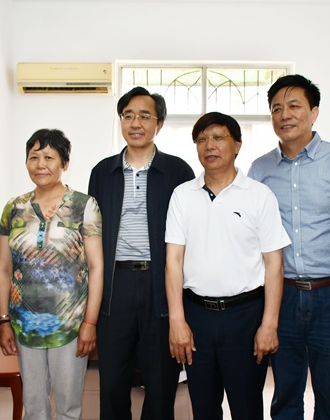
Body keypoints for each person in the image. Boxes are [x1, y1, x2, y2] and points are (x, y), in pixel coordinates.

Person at [248, 74, 330, 419]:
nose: (284, 114)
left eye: (294, 106)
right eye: (276, 108)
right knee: (285, 387)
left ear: (314, 112)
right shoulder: (260, 169)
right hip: (281, 294)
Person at [166, 112, 291, 420]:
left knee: (246, 407)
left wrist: (269, 325)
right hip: (197, 315)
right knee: (203, 407)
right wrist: (177, 321)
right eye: (202, 139)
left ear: (237, 145)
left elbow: (274, 263)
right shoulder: (183, 195)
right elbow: (173, 261)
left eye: (219, 138)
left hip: (245, 317)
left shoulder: (259, 195)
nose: (210, 145)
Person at [88, 86, 195, 419]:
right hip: (115, 285)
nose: (136, 123)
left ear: (159, 123)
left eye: (145, 116)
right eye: (128, 115)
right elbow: (92, 235)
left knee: (161, 381)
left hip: (160, 284)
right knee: (112, 381)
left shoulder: (178, 172)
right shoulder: (102, 172)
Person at [0, 128, 103, 420]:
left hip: (70, 325)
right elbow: (3, 268)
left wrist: (90, 322)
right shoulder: (13, 208)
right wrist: (3, 321)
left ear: (65, 163)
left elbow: (96, 267)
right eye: (33, 157)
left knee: (68, 407)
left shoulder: (84, 205)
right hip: (24, 325)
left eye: (49, 157)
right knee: (34, 406)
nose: (40, 164)